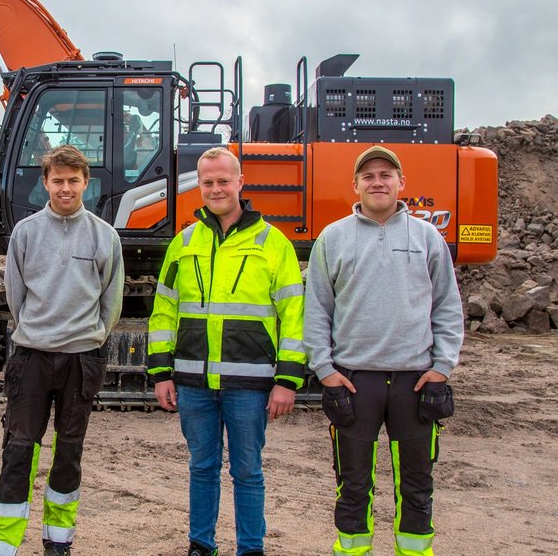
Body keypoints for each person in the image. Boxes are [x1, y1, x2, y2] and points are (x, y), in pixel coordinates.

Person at [304, 145, 463, 556]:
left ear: (401, 183)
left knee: (417, 482)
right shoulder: (333, 238)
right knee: (353, 482)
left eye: (386, 174)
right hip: (355, 382)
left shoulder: (427, 237)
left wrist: (443, 366)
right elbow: (317, 309)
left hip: (416, 381)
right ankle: (353, 549)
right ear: (355, 185)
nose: (378, 181)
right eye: (369, 175)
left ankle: (414, 550)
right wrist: (324, 370)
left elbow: (447, 305)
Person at [147, 147, 307, 556]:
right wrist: (161, 373)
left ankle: (250, 548)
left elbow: (294, 315)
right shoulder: (183, 242)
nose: (216, 189)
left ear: (240, 183)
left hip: (250, 383)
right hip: (194, 382)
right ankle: (202, 544)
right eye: (207, 182)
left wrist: (287, 380)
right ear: (198, 187)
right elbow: (164, 310)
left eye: (223, 181)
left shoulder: (274, 243)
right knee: (202, 468)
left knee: (248, 472)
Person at [0, 145, 125, 556]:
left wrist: (92, 334)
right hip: (33, 357)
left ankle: (58, 538)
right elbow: (16, 295)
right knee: (20, 445)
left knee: (69, 448)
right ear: (45, 182)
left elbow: (111, 300)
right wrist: (37, 332)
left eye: (73, 180)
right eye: (58, 180)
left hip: (82, 358)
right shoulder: (26, 233)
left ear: (86, 182)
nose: (65, 188)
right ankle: (3, 541)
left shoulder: (104, 235)